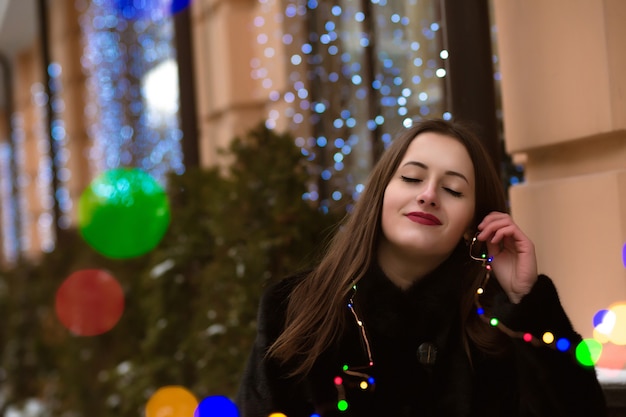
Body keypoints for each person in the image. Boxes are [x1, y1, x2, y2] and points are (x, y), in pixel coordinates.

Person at [235, 118, 607, 416]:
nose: (428, 195)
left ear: (472, 223)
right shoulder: (295, 309)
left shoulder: (498, 325)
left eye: (454, 190)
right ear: (380, 194)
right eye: (412, 178)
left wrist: (527, 301)